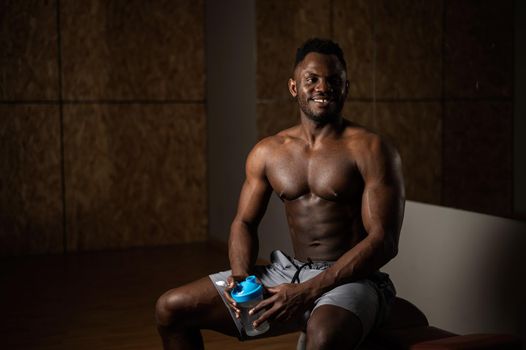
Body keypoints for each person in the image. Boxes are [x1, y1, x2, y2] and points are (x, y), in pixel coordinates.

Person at [155, 38, 405, 350]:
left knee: (325, 338)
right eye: (311, 79)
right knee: (171, 308)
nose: (322, 87)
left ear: (346, 88)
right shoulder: (268, 152)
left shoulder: (371, 148)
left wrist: (307, 292)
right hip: (288, 271)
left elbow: (384, 241)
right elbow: (243, 223)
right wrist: (240, 277)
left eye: (333, 80)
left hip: (353, 278)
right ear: (293, 88)